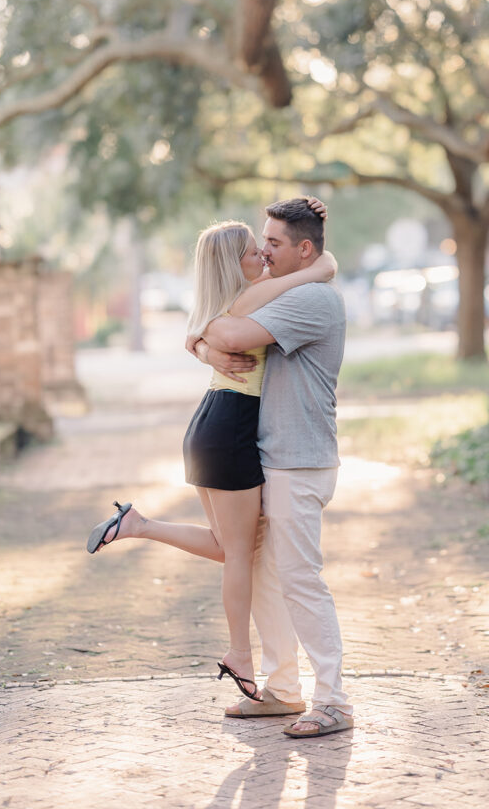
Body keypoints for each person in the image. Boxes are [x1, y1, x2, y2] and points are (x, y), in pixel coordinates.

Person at [85, 203, 335, 705]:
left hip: (212, 424)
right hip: (232, 428)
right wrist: (325, 267)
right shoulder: (252, 297)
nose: (263, 255)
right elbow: (229, 321)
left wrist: (199, 341)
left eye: (267, 247)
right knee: (240, 554)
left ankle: (138, 525)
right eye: (253, 251)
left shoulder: (232, 299)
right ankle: (240, 653)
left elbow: (196, 332)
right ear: (234, 265)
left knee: (228, 546)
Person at [189, 197, 353, 739]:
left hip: (298, 460)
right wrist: (201, 347)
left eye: (275, 243)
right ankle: (283, 690)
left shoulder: (311, 297)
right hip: (271, 456)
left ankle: (334, 701)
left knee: (301, 580)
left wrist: (210, 343)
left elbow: (231, 332)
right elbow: (218, 326)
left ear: (305, 250)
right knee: (263, 575)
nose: (263, 249)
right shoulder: (290, 289)